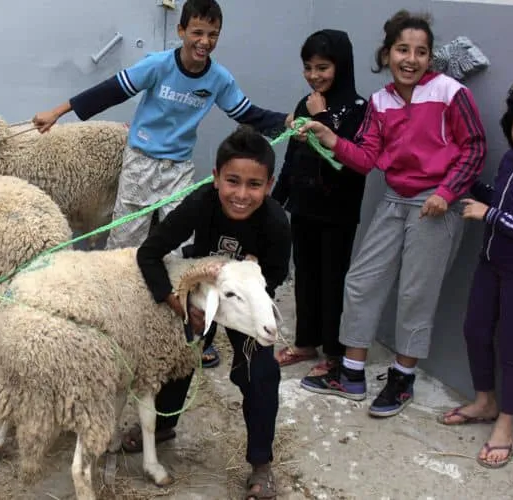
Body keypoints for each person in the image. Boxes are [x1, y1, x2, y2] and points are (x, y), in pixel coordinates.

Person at [33, 0, 291, 369]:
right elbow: (111, 91)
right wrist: (58, 112)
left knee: (186, 250)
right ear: (181, 31)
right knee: (126, 241)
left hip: (178, 169)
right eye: (197, 32)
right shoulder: (158, 65)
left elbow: (247, 113)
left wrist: (289, 121)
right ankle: (111, 319)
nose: (204, 41)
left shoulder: (219, 79)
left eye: (213, 34)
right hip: (141, 162)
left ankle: (191, 330)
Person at [296, 10, 487, 417]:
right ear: (387, 54)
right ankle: (351, 374)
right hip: (395, 199)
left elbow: (474, 147)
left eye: (420, 51)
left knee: (416, 294)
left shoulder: (450, 92)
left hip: (435, 204)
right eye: (402, 49)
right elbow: (366, 158)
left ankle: (402, 379)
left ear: (430, 57)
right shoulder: (380, 102)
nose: (411, 59)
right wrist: (329, 136)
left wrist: (447, 192)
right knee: (361, 281)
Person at [122, 128, 290, 499]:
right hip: (201, 294)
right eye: (232, 181)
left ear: (269, 185)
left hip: (242, 303)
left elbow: (276, 275)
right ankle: (163, 424)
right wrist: (176, 301)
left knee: (261, 372)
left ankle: (261, 463)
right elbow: (148, 253)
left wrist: (254, 275)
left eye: (254, 184)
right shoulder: (200, 203)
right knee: (181, 354)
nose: (241, 194)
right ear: (215, 177)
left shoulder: (276, 223)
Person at [437, 84, 513, 468]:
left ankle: (506, 426)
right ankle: (485, 401)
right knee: (475, 331)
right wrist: (467, 183)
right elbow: (498, 199)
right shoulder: (511, 160)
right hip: (490, 263)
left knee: (512, 346)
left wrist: (490, 215)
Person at [270, 29, 367, 377]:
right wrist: (275, 202)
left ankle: (334, 353)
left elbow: (344, 159)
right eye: (308, 67)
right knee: (305, 275)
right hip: (304, 207)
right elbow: (293, 157)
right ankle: (306, 342)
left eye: (322, 67)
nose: (314, 75)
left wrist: (322, 118)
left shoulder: (359, 109)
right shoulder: (305, 104)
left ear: (342, 66)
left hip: (338, 212)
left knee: (332, 280)